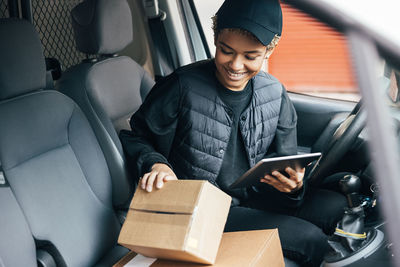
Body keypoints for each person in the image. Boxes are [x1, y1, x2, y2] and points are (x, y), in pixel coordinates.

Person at [120, 0, 346, 265]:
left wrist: (293, 187)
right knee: (311, 239)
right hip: (204, 207)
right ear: (215, 39)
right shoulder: (180, 86)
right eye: (226, 51)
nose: (236, 65)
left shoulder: (274, 92)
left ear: (268, 51)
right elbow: (135, 136)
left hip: (257, 196)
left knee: (338, 206)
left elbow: (285, 161)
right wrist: (156, 164)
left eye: (250, 56)